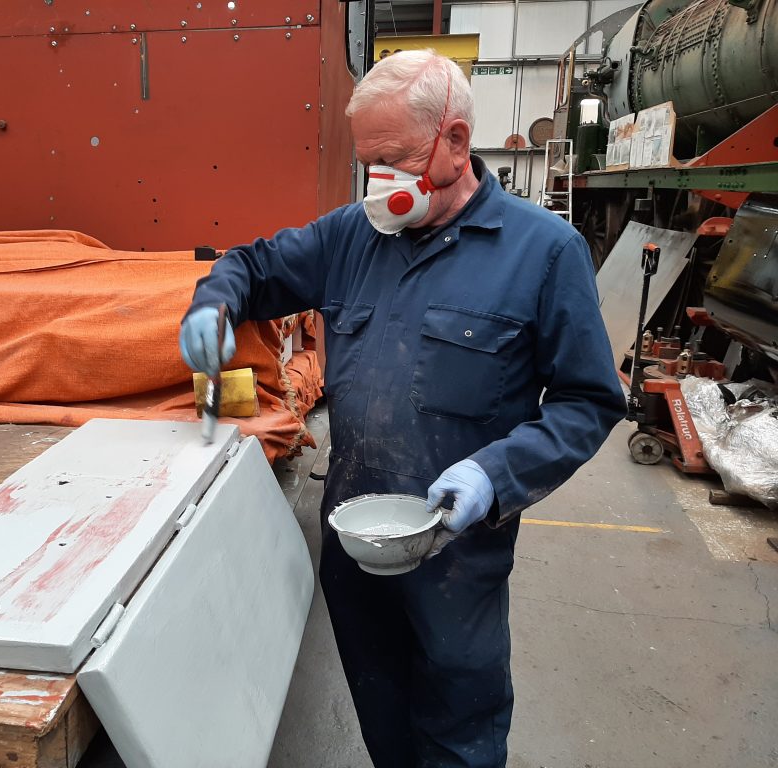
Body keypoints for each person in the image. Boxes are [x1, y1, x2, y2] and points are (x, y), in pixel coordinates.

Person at [179, 50, 625, 768]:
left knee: (458, 735)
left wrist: (497, 474)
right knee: (383, 720)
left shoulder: (544, 253)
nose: (378, 181)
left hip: (456, 557)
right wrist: (215, 304)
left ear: (454, 141)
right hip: (355, 547)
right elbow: (254, 265)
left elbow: (588, 401)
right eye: (368, 164)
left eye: (394, 159)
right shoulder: (352, 237)